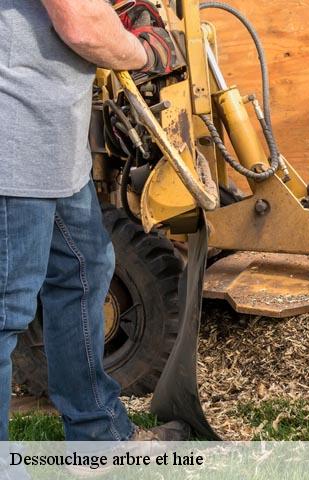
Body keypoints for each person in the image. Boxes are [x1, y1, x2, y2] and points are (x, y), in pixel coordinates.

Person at [0, 0, 187, 441]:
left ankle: (98, 439)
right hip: (15, 145)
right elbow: (82, 26)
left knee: (82, 271)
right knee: (6, 310)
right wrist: (149, 52)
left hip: (52, 148)